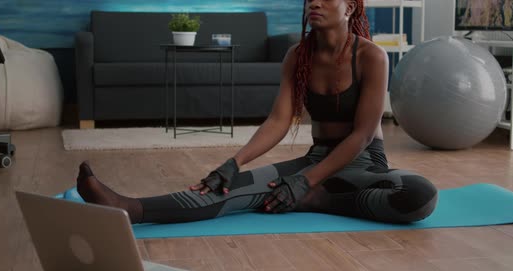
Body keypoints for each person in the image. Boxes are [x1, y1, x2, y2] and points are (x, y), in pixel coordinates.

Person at [76, 0, 438, 224]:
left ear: (351, 7)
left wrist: (305, 183)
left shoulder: (371, 57)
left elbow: (361, 136)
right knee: (228, 189)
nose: (315, 2)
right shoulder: (297, 56)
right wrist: (233, 163)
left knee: (419, 195)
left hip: (363, 165)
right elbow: (279, 120)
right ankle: (129, 208)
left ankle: (319, 199)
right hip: (317, 159)